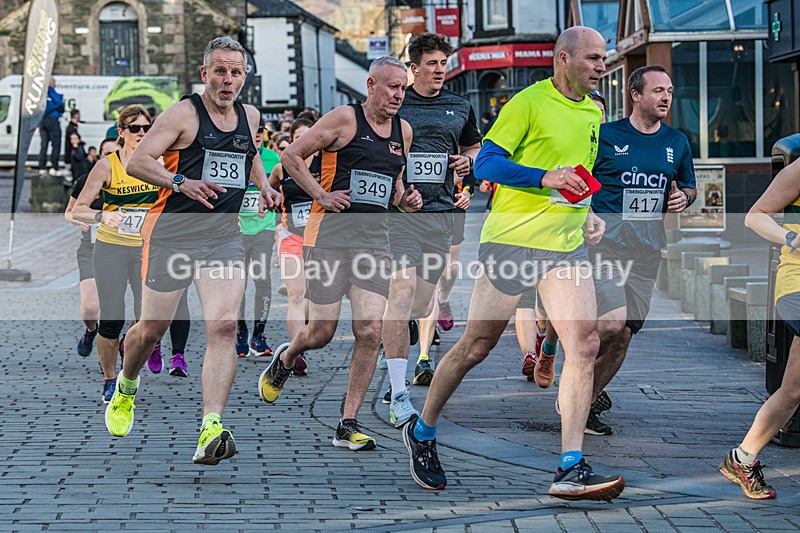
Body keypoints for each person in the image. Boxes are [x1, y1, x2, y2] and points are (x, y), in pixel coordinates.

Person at [401, 27, 625, 501]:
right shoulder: (527, 102)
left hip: (565, 247)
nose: (601, 66)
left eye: (604, 58)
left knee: (583, 344)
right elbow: (485, 165)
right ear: (564, 59)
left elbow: (575, 176)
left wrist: (586, 217)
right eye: (593, 58)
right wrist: (545, 178)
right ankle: (422, 430)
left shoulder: (591, 111)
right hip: (512, 244)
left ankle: (570, 465)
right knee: (476, 346)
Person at [103, 37, 281, 466]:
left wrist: (263, 185)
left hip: (223, 237)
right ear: (205, 74)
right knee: (152, 329)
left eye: (236, 72)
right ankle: (126, 385)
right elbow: (138, 162)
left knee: (222, 325)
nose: (228, 79)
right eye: (220, 70)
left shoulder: (249, 115)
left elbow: (248, 153)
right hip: (173, 236)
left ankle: (211, 426)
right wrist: (183, 183)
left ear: (244, 77)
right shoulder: (183, 114)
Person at [258, 56, 421, 450]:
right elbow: (291, 156)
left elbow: (394, 182)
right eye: (392, 87)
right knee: (322, 332)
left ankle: (348, 421)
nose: (399, 94)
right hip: (328, 237)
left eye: (403, 88)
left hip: (375, 242)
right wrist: (321, 195)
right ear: (371, 85)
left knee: (370, 330)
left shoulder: (405, 130)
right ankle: (287, 355)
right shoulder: (344, 119)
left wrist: (406, 199)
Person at [380, 33, 481, 429]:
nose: (440, 70)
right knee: (400, 291)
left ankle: (400, 335)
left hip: (441, 214)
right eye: (433, 63)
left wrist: (466, 164)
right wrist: (399, 190)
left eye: (443, 63)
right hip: (402, 214)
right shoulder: (397, 103)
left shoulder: (460, 105)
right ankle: (398, 389)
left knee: (423, 305)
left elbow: (475, 148)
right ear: (414, 68)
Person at [589, 66, 696, 436]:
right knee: (611, 323)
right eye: (657, 91)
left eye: (669, 90)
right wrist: (586, 214)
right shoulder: (605, 135)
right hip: (606, 245)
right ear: (636, 95)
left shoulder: (677, 142)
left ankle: (584, 401)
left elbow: (688, 187)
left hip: (647, 250)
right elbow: (579, 182)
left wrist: (684, 197)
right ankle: (575, 376)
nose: (666, 97)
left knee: (624, 335)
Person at [718, 158, 800, 500]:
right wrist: (791, 237)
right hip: (797, 282)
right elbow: (755, 216)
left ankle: (743, 457)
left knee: (794, 390)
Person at [73, 107, 160, 403]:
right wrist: (101, 217)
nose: (141, 134)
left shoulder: (156, 163)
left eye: (146, 128)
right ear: (120, 132)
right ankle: (111, 380)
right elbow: (78, 208)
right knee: (111, 319)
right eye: (134, 128)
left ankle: (129, 357)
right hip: (110, 248)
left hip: (145, 249)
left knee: (145, 317)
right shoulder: (107, 166)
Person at [521, 90, 608, 388]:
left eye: (597, 115)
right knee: (549, 312)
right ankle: (548, 347)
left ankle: (580, 386)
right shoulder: (564, 146)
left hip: (606, 241)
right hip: (560, 235)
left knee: (588, 322)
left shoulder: (612, 148)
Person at [268, 118, 318, 374]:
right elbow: (268, 190)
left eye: (309, 136)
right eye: (298, 137)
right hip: (291, 238)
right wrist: (268, 204)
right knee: (296, 294)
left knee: (311, 297)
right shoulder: (281, 167)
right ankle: (296, 354)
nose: (304, 142)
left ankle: (301, 336)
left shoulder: (327, 165)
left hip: (320, 240)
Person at [65, 137, 118, 358]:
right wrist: (79, 219)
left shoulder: (133, 181)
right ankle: (90, 330)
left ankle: (118, 347)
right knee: (90, 308)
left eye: (114, 153)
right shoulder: (86, 181)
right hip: (91, 249)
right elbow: (70, 211)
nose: (110, 158)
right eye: (105, 154)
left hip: (122, 250)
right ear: (98, 158)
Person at [236, 119, 278, 358]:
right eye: (254, 131)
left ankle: (258, 335)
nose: (258, 135)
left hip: (264, 227)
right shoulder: (237, 156)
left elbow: (279, 188)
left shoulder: (273, 159)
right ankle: (241, 330)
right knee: (238, 283)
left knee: (262, 279)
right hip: (239, 229)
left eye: (261, 131)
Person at [38, 78, 64, 175]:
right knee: (56, 144)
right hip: (52, 120)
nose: (56, 84)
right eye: (55, 82)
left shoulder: (41, 95)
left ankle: (42, 167)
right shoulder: (52, 92)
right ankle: (54, 167)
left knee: (44, 145)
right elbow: (60, 104)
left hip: (42, 121)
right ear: (51, 83)